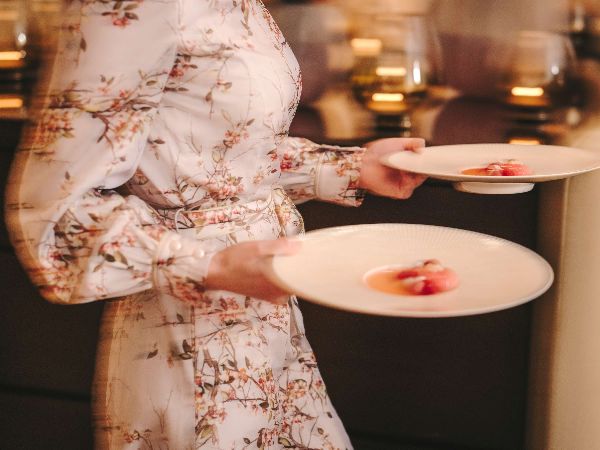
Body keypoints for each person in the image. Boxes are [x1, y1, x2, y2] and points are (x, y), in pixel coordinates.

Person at [6, 1, 425, 448]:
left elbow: (223, 155)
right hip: (191, 343)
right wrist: (207, 266)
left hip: (266, 326)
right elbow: (53, 211)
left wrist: (348, 168)